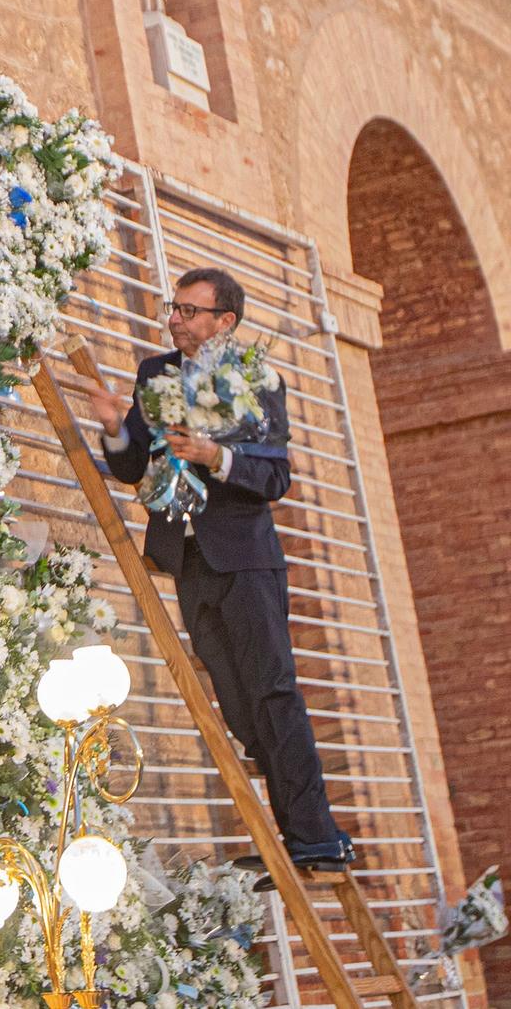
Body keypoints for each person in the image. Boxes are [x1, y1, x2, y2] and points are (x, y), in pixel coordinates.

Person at [81, 266, 352, 882]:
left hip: (247, 560)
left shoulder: (257, 379)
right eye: (171, 308)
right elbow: (131, 467)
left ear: (224, 321)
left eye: (187, 310)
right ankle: (292, 837)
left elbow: (275, 478)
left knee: (273, 692)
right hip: (189, 559)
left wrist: (216, 457)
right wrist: (115, 427)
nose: (174, 318)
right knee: (235, 702)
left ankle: (318, 837)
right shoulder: (156, 374)